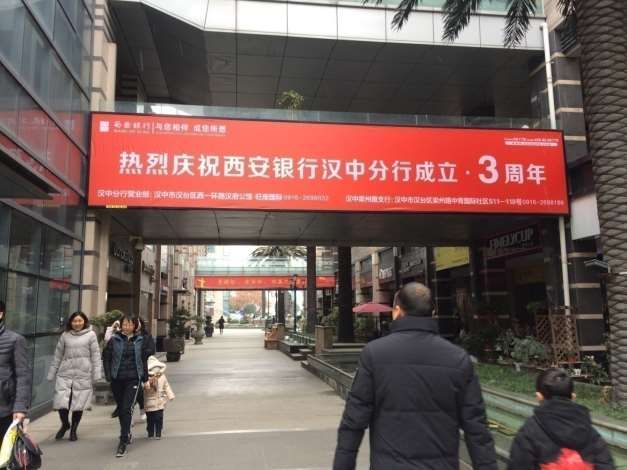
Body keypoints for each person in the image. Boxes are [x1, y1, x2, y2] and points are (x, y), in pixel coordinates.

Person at [333, 282, 497, 470]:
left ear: (397, 311)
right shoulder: (458, 359)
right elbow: (477, 430)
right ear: (433, 314)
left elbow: (353, 422)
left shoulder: (374, 354)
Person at [508, 368, 614, 469]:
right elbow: (605, 464)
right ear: (573, 397)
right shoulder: (590, 431)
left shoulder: (529, 432)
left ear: (539, 397)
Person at [47, 311, 103, 442]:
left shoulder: (91, 335)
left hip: (83, 375)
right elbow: (58, 355)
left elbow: (95, 355)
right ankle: (65, 424)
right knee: (61, 403)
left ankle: (73, 429)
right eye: (74, 321)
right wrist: (51, 373)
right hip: (65, 374)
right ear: (71, 322)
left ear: (84, 321)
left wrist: (97, 374)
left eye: (80, 321)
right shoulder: (65, 335)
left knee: (78, 404)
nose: (77, 323)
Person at [103, 315, 151, 458]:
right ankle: (127, 432)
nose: (127, 327)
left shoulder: (140, 340)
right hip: (117, 379)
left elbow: (143, 359)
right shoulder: (114, 340)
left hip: (133, 379)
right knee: (121, 409)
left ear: (135, 326)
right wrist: (108, 375)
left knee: (126, 408)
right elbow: (106, 357)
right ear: (121, 325)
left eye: (130, 324)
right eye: (124, 324)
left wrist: (145, 378)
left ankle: (123, 440)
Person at [0, 301, 31, 441]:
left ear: (1, 314)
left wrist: (20, 407)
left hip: (4, 409)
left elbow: (23, 375)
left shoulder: (15, 340)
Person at [143, 355, 175, 440]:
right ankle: (150, 432)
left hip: (160, 401)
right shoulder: (146, 378)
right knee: (150, 419)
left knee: (159, 418)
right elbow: (143, 389)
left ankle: (158, 432)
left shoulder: (162, 376)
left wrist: (170, 395)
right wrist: (148, 384)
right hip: (149, 402)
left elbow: (166, 386)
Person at [135, 318, 156, 422]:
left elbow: (152, 350)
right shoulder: (126, 336)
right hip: (130, 368)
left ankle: (142, 408)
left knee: (140, 390)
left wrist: (141, 353)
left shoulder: (146, 336)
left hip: (143, 366)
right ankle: (129, 417)